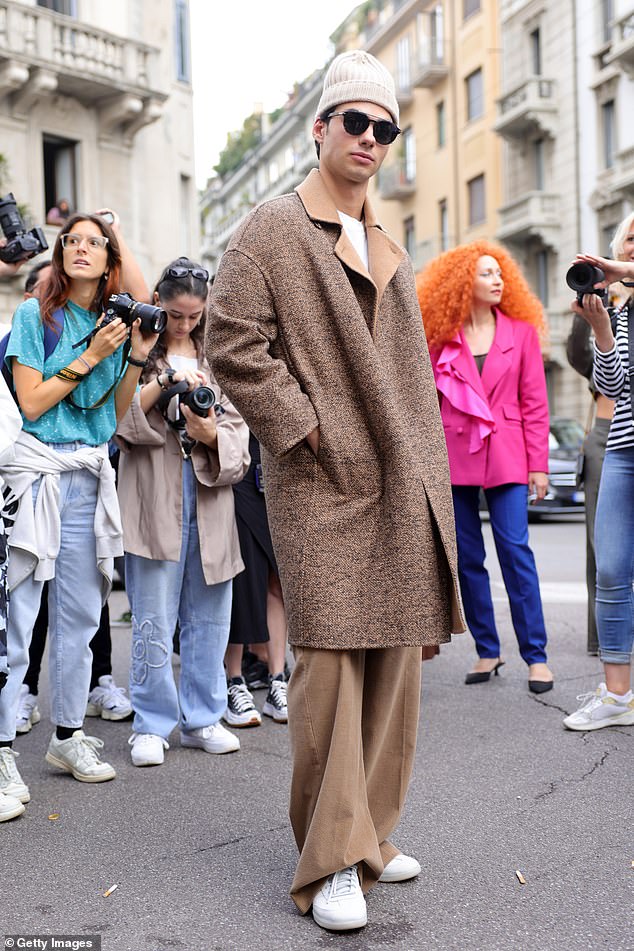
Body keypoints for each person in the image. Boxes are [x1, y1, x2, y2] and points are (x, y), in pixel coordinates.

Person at [208, 50, 464, 933]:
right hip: (321, 481)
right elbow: (230, 339)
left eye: (383, 127)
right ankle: (328, 863)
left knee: (394, 659)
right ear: (320, 129)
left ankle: (373, 834)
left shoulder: (385, 239)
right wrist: (307, 426)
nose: (368, 138)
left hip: (400, 475)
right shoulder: (274, 227)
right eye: (353, 121)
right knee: (329, 665)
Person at [0, 209, 155, 808]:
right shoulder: (33, 315)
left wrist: (134, 355)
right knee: (18, 619)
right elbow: (34, 402)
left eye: (96, 242)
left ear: (110, 260)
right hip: (36, 474)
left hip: (89, 474)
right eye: (73, 240)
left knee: (81, 618)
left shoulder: (114, 323)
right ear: (61, 253)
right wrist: (91, 355)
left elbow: (112, 417)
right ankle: (4, 750)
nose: (82, 249)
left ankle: (67, 735)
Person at [116, 257, 249, 768]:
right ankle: (150, 722)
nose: (185, 324)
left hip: (211, 498)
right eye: (175, 314)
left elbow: (241, 434)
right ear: (160, 303)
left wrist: (211, 433)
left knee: (211, 615)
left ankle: (203, 717)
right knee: (152, 614)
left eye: (194, 316)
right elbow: (118, 422)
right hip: (154, 495)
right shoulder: (137, 350)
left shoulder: (220, 356)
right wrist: (161, 377)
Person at [417, 241, 554, 693]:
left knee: (516, 554)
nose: (497, 280)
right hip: (453, 459)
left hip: (510, 456)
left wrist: (539, 467)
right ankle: (487, 650)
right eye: (486, 274)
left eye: (500, 273)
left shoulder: (522, 334)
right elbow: (426, 407)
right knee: (469, 560)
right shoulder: (439, 338)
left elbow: (534, 405)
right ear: (463, 284)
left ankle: (536, 656)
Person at [563, 242, 634, 731]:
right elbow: (610, 385)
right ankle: (616, 695)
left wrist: (621, 269)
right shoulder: (618, 313)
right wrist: (602, 330)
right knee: (610, 569)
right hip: (624, 451)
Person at [224, 432, 288, 727]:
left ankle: (278, 679)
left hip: (277, 461)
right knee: (240, 576)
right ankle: (233, 681)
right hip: (237, 455)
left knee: (277, 580)